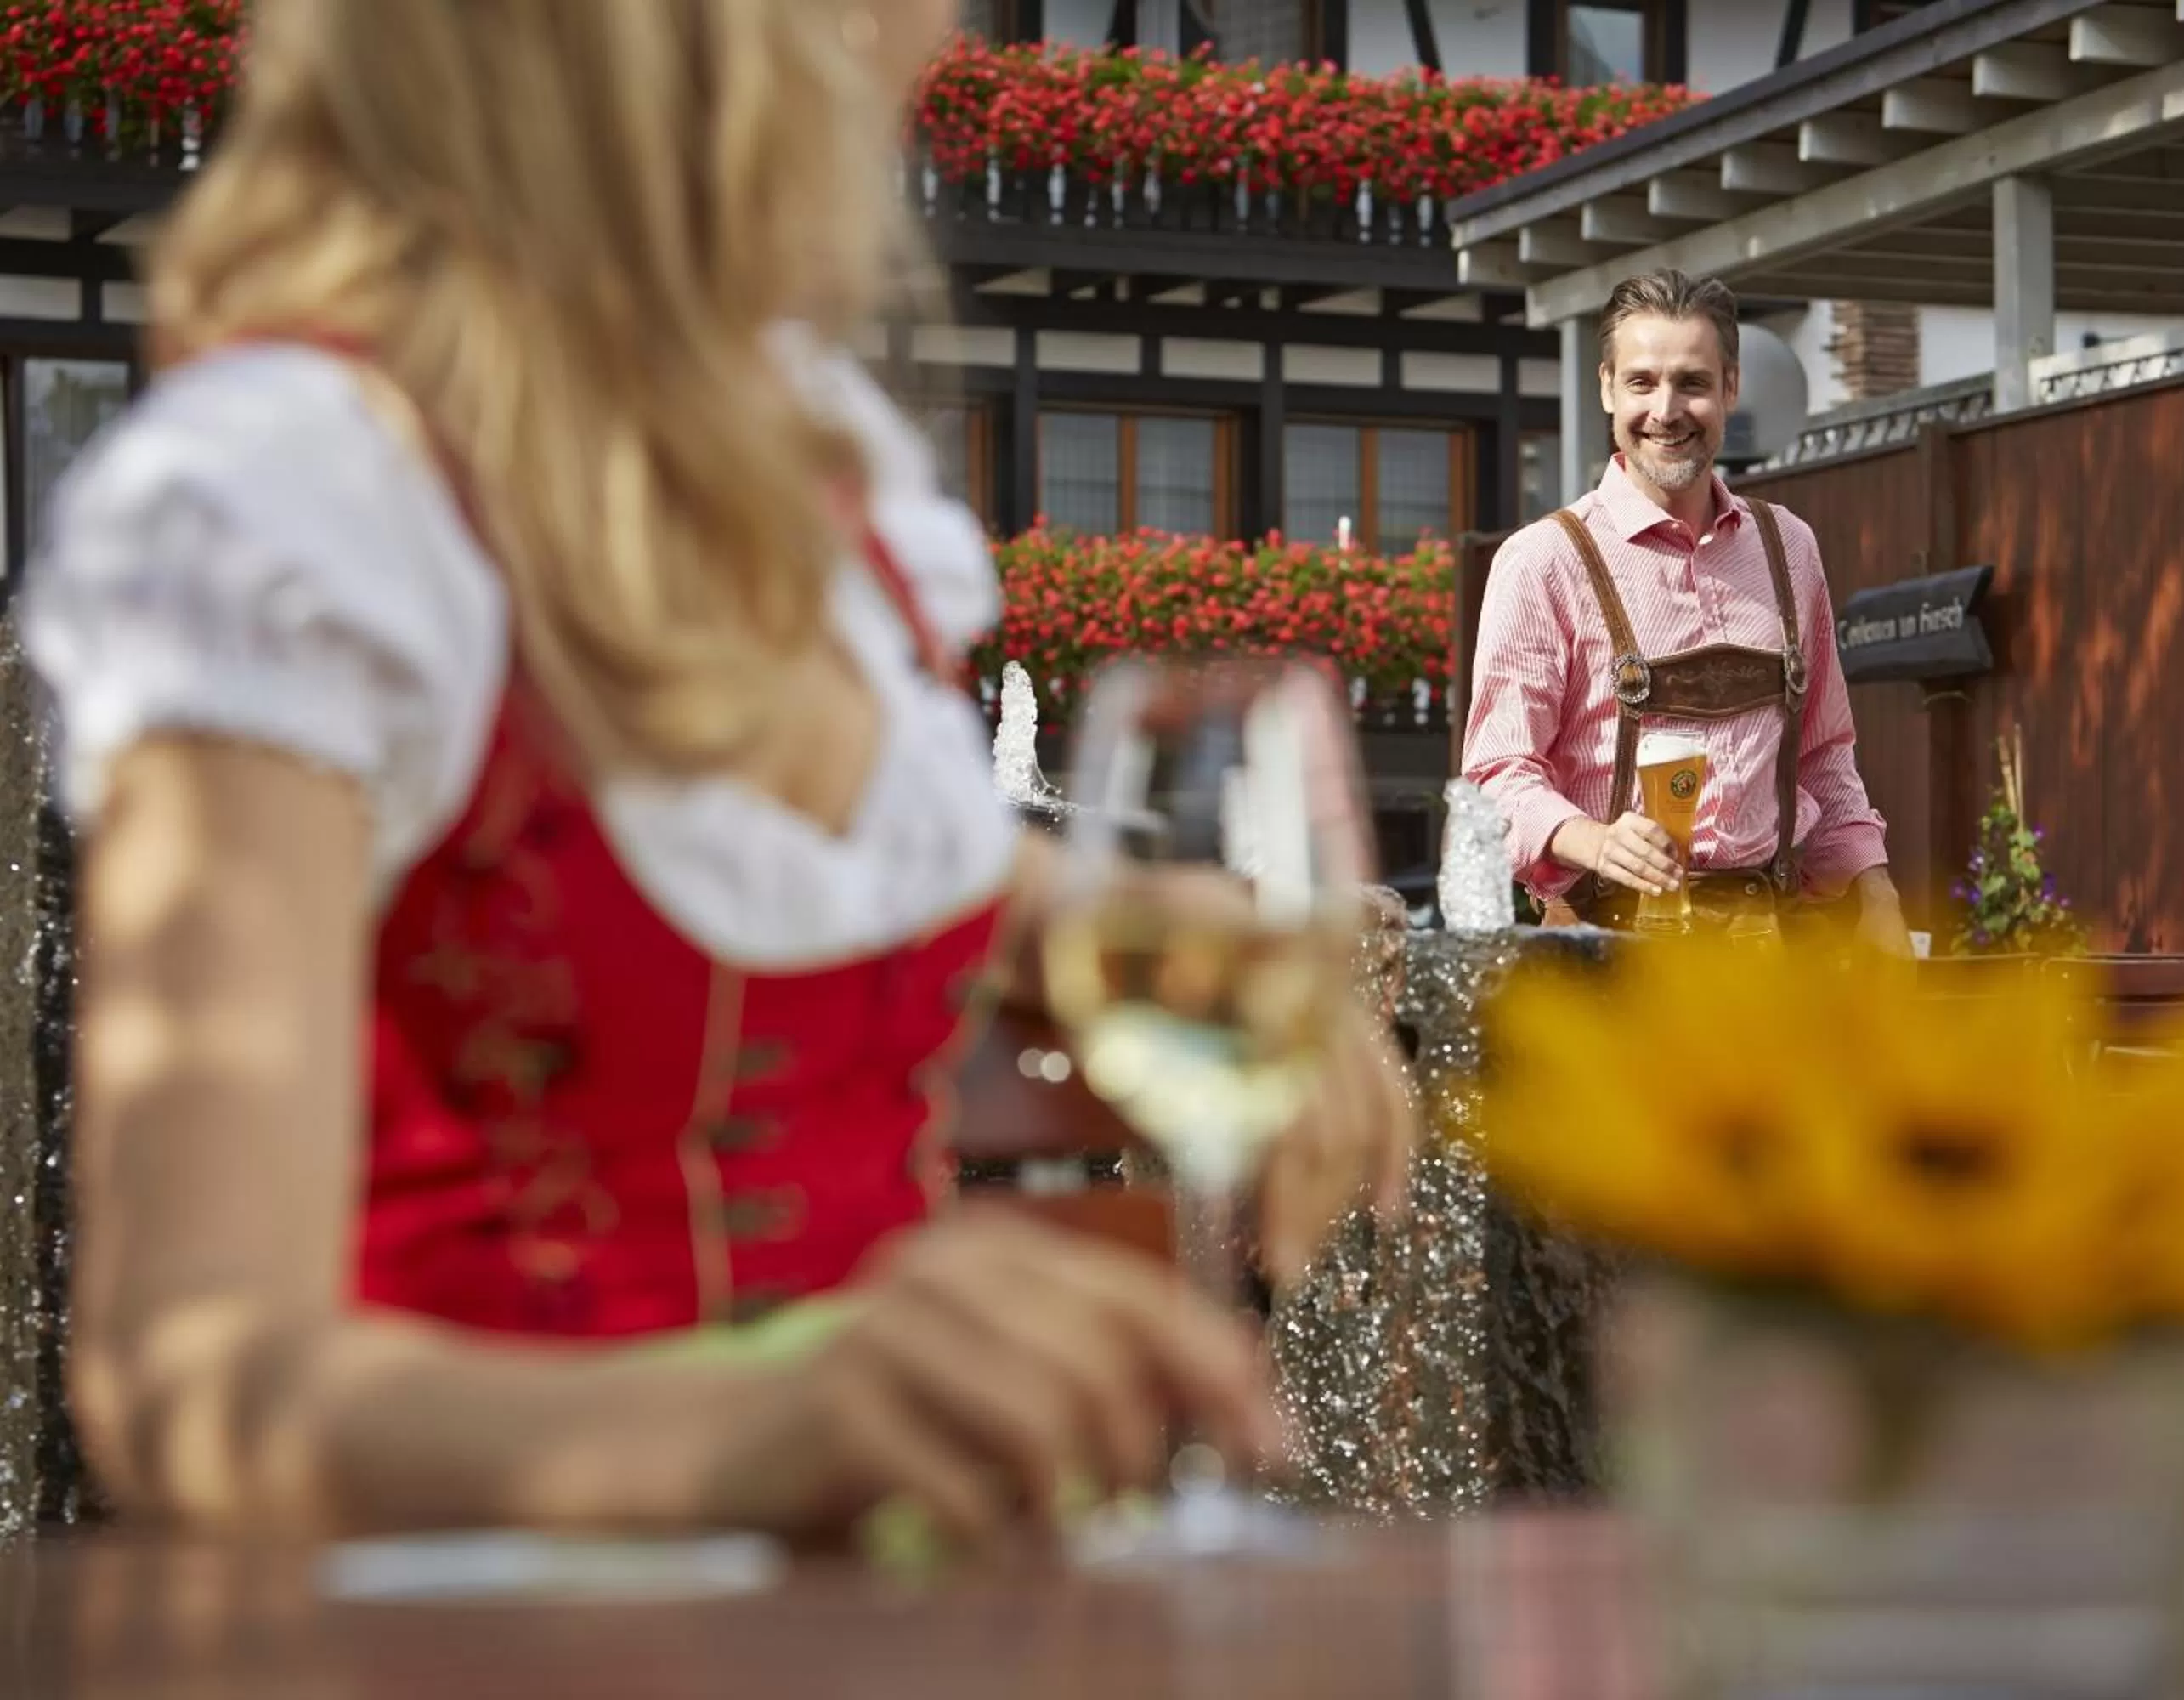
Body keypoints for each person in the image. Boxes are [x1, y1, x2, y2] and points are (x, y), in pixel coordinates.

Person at [20, 0, 1412, 1544]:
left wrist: (1175, 934)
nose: (939, 40)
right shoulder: (296, 504)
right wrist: (752, 1429)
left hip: (873, 1621)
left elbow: (892, 863)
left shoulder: (809, 477)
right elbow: (187, 1379)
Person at [1460, 271, 1910, 950]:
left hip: (1769, 957)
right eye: (1642, 382)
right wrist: (1597, 842)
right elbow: (1497, 775)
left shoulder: (1788, 548)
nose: (1666, 410)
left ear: (1731, 387)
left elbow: (1821, 755)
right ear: (1607, 386)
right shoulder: (1543, 561)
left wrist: (1875, 891)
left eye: (1692, 383)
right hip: (1605, 955)